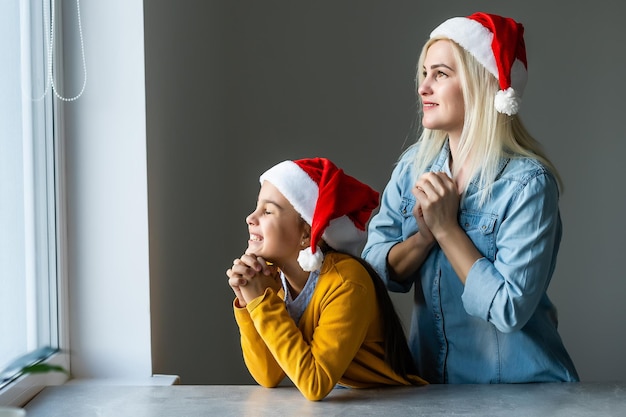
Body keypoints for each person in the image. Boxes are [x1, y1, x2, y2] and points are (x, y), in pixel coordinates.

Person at [362, 12, 579, 384]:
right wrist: (424, 238)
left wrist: (447, 230)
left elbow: (510, 309)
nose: (423, 88)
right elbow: (374, 271)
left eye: (441, 74)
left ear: (481, 83)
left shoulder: (528, 185)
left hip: (522, 396)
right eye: (425, 73)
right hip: (431, 391)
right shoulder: (413, 167)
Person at [226, 157, 427, 401]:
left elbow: (315, 384)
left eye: (267, 211)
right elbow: (268, 374)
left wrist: (263, 304)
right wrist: (250, 304)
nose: (251, 217)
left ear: (307, 233)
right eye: (257, 207)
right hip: (342, 401)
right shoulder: (274, 280)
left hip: (392, 404)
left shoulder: (347, 282)